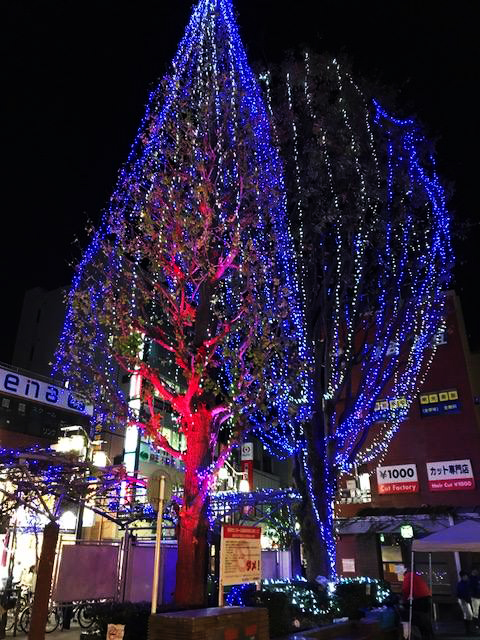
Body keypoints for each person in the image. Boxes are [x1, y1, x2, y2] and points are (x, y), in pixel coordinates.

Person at [402, 570, 434, 640]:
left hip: (420, 599)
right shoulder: (417, 576)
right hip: (426, 598)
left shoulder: (408, 576)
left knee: (415, 617)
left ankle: (418, 634)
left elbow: (406, 589)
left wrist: (404, 600)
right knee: (425, 617)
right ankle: (429, 634)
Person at [457, 570, 474, 635]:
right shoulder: (461, 584)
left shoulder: (466, 583)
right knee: (467, 614)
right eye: (465, 576)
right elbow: (461, 593)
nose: (467, 577)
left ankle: (468, 630)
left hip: (466, 600)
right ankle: (468, 630)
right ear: (463, 576)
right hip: (463, 600)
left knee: (469, 615)